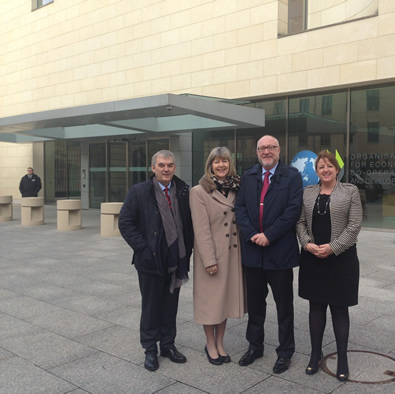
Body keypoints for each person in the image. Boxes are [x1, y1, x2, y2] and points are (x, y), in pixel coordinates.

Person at [119, 150, 194, 372]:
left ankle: (168, 346)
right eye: (161, 165)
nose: (166, 169)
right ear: (153, 168)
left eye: (170, 165)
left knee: (170, 306)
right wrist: (143, 249)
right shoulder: (140, 191)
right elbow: (125, 223)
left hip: (175, 260)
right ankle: (150, 349)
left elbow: (188, 224)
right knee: (151, 307)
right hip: (150, 262)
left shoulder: (182, 191)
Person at [235, 135, 303, 374]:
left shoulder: (292, 177)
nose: (266, 151)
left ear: (278, 150)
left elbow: (293, 210)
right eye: (262, 148)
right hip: (253, 252)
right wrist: (252, 233)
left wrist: (269, 235)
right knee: (255, 304)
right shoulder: (248, 176)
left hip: (279, 253)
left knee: (283, 306)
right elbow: (240, 208)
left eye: (270, 147)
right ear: (257, 152)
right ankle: (255, 346)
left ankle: (285, 352)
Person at [296, 150, 362, 382]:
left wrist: (333, 247)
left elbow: (354, 226)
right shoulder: (308, 192)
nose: (325, 170)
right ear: (316, 171)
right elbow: (300, 222)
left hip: (341, 260)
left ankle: (342, 358)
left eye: (329, 166)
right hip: (313, 259)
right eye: (321, 166)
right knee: (316, 308)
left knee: (339, 309)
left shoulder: (350, 191)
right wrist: (307, 244)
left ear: (337, 169)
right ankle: (315, 353)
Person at [189, 147, 246, 366]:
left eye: (224, 161)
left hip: (233, 255)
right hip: (212, 256)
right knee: (210, 303)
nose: (221, 165)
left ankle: (220, 342)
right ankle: (210, 344)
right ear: (210, 165)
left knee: (225, 301)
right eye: (216, 162)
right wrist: (209, 260)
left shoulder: (236, 188)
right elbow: (200, 230)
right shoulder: (199, 191)